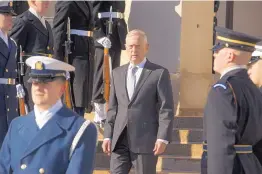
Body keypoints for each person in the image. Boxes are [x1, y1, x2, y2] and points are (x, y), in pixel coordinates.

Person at [0, 56, 97, 174]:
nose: (38, 88)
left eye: (45, 82)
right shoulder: (16, 125)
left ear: (63, 87)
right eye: (34, 82)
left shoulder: (81, 129)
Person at [102, 29, 174, 174]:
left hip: (145, 142)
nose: (134, 50)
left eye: (138, 46)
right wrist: (107, 135)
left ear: (146, 47)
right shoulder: (117, 73)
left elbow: (166, 109)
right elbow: (113, 108)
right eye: (130, 46)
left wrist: (163, 138)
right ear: (125, 47)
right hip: (119, 141)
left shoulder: (158, 73)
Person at [201, 26, 262, 174]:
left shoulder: (222, 90)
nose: (214, 54)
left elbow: (220, 145)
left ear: (229, 56)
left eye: (218, 50)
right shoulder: (253, 88)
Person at [53, 1, 95, 116]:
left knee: (84, 94)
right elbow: (58, 30)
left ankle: (79, 121)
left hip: (87, 49)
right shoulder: (67, 2)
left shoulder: (87, 2)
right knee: (76, 94)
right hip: (75, 52)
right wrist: (58, 62)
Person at [10, 0, 53, 111]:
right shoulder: (24, 21)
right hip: (31, 78)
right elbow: (11, 53)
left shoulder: (46, 24)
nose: (48, 2)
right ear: (33, 1)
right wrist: (16, 82)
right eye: (45, 0)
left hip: (47, 77)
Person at [91, 1, 128, 127]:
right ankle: (99, 111)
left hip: (117, 32)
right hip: (105, 30)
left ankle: (112, 109)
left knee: (115, 74)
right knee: (101, 72)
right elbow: (92, 11)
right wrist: (98, 35)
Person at [0, 1, 19, 148]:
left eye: (10, 15)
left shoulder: (12, 43)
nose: (10, 18)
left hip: (10, 98)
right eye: (6, 15)